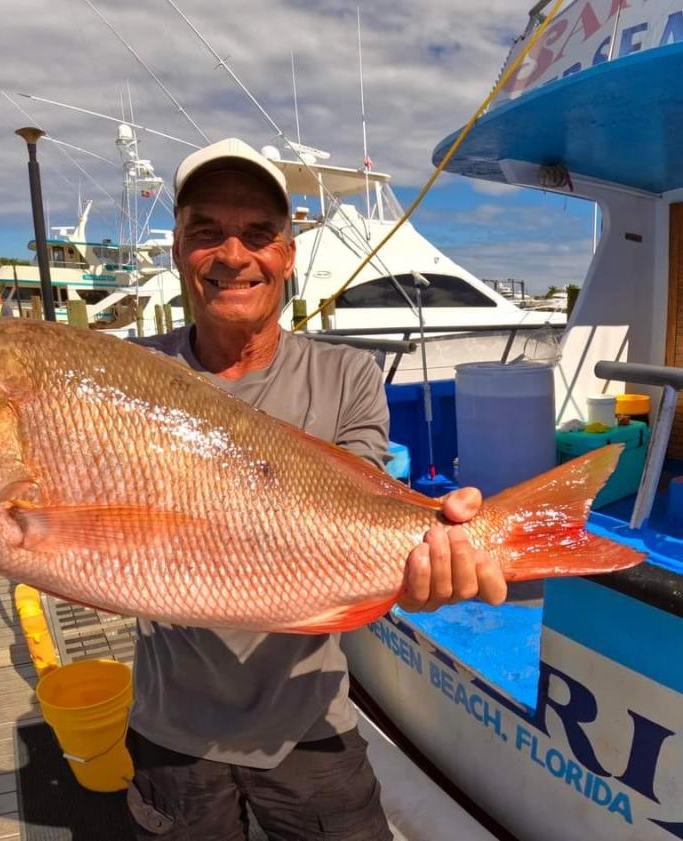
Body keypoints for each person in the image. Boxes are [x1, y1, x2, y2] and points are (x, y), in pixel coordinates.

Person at [127, 138, 508, 840]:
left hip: (312, 719)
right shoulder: (130, 373)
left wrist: (423, 562)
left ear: (288, 253)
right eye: (207, 231)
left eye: (259, 233)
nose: (233, 254)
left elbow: (360, 508)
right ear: (179, 249)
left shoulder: (349, 375)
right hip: (171, 729)